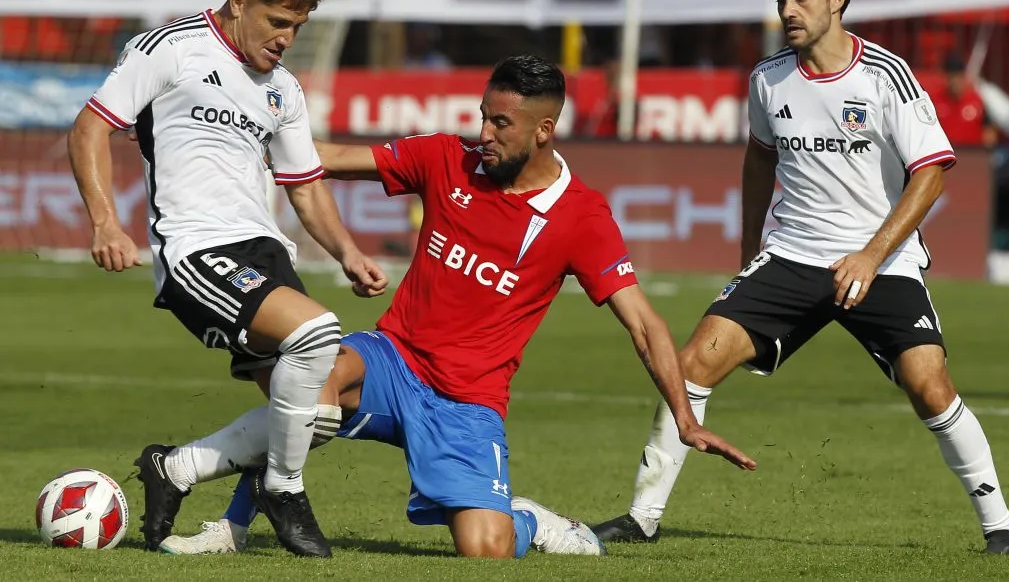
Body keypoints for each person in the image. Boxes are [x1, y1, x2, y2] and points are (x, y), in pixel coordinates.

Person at [137, 54, 757, 559]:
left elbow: (644, 322)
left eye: (500, 125)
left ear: (544, 130)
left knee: (483, 549)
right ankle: (231, 527)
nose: (483, 134)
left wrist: (686, 416)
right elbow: (328, 157)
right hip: (394, 360)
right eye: (483, 117)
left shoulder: (581, 217)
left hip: (469, 402)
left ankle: (529, 524)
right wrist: (239, 135)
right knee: (309, 375)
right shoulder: (446, 158)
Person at [591, 0, 1009, 555]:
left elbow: (930, 173)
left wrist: (871, 257)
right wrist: (748, 250)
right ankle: (642, 517)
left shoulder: (886, 76)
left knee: (930, 385)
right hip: (792, 255)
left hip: (882, 260)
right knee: (693, 364)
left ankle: (1002, 528)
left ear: (837, 0)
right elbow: (758, 160)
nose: (787, 11)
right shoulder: (768, 79)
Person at [67, 0, 388, 558]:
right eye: (277, 21)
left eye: (297, 25)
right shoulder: (172, 48)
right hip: (196, 251)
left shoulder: (283, 90)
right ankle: (284, 491)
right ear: (238, 1)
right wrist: (105, 222)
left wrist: (347, 251)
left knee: (316, 414)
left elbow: (305, 186)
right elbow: (90, 128)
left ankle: (176, 470)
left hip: (267, 255)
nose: (286, 38)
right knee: (317, 334)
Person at [932, 53, 997, 148]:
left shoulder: (976, 100)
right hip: (946, 157)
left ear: (963, 77)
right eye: (951, 76)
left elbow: (989, 130)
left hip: (972, 155)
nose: (954, 81)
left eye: (958, 76)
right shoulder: (935, 102)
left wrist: (987, 151)